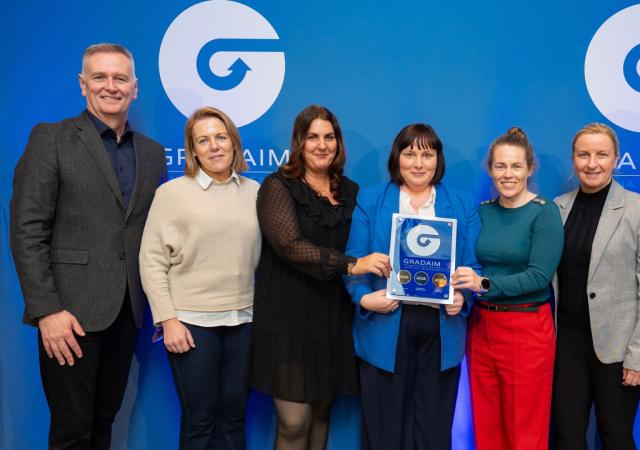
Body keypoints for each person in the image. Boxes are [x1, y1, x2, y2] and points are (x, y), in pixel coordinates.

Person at [9, 43, 166, 449]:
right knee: (72, 430)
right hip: (70, 316)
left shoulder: (152, 154)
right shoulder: (52, 139)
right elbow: (27, 228)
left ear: (135, 88)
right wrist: (47, 311)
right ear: (83, 84)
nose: (110, 86)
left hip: (128, 312)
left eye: (120, 78)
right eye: (99, 77)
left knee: (103, 423)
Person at [249, 105, 390, 450]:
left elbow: (368, 240)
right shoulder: (278, 186)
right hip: (288, 319)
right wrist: (351, 265)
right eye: (313, 136)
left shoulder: (350, 191)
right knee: (294, 424)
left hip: (333, 317)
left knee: (322, 414)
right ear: (299, 142)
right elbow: (289, 246)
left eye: (329, 137)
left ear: (338, 144)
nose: (322, 144)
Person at [345, 123, 480, 450]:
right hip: (385, 325)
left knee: (433, 432)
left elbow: (474, 268)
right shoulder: (372, 199)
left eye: (427, 154)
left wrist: (462, 297)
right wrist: (364, 299)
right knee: (385, 431)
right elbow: (352, 261)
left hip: (441, 329)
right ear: (397, 158)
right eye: (410, 154)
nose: (418, 163)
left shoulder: (461, 204)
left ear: (438, 160)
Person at [139, 106, 259, 449]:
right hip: (191, 325)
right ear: (192, 150)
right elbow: (151, 261)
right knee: (199, 422)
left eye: (221, 137)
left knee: (234, 419)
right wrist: (168, 320)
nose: (214, 146)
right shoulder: (172, 194)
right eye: (203, 140)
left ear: (234, 143)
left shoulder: (254, 192)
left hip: (244, 322)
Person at [550, 123, 640, 449]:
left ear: (616, 158)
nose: (592, 163)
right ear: (573, 158)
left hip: (618, 349)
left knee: (615, 436)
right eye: (583, 154)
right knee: (567, 437)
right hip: (566, 345)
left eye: (601, 155)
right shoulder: (557, 208)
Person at [451, 127, 563, 450]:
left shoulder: (544, 212)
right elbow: (469, 261)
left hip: (527, 329)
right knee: (486, 424)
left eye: (516, 166)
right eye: (501, 166)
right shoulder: (483, 211)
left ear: (530, 168)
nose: (508, 174)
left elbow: (539, 277)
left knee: (524, 429)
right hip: (482, 327)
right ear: (490, 169)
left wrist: (483, 284)